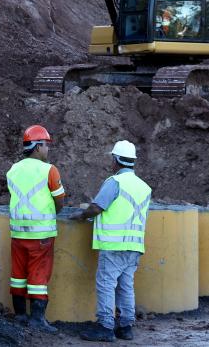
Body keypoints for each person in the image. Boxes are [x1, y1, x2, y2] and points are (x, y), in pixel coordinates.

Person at [69, 140, 151, 342]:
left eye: (112, 159)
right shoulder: (144, 187)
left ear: (116, 160)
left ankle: (105, 327)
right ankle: (126, 327)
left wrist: (81, 216)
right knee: (126, 286)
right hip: (134, 246)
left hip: (114, 245)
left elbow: (97, 207)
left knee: (106, 284)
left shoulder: (115, 182)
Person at [6, 125, 66, 333]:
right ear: (37, 146)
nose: (48, 149)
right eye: (46, 145)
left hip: (18, 233)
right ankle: (37, 319)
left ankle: (20, 315)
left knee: (18, 275)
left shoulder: (13, 170)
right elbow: (59, 200)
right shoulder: (49, 170)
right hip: (41, 235)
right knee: (38, 276)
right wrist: (54, 212)